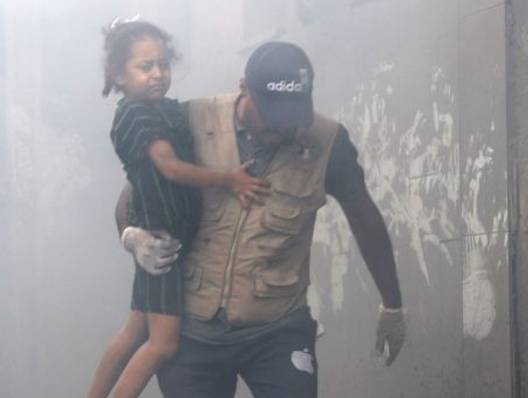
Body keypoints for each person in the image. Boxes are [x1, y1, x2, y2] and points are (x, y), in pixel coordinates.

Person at [115, 41, 406, 398]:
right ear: (244, 89)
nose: (282, 128)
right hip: (193, 329)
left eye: (292, 117)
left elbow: (364, 217)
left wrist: (392, 304)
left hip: (278, 329)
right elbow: (133, 197)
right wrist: (131, 237)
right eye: (271, 114)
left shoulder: (329, 142)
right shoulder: (190, 121)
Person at [86, 20, 268, 398]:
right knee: (162, 344)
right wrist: (229, 179)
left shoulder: (162, 110)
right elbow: (168, 166)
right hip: (162, 246)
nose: (157, 74)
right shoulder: (137, 115)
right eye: (145, 67)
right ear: (119, 74)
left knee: (135, 330)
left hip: (164, 238)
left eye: (163, 65)